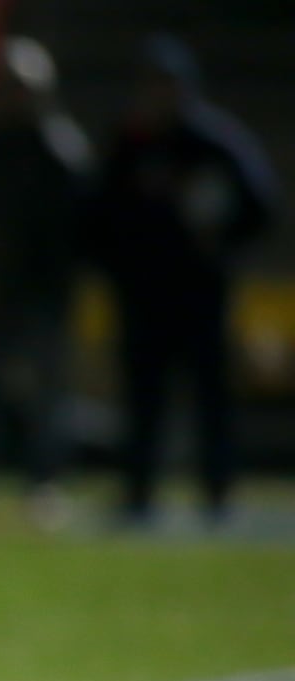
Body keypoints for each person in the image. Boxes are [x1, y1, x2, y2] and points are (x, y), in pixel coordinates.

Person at [89, 34, 278, 526]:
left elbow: (262, 209)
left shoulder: (215, 144)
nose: (160, 94)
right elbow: (97, 219)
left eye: (168, 84)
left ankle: (217, 494)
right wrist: (119, 269)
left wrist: (222, 242)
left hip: (200, 295)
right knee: (142, 398)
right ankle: (138, 493)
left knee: (208, 397)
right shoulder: (129, 144)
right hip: (143, 297)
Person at [0, 35, 92, 524]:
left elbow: (81, 227)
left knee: (48, 394)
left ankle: (44, 482)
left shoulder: (59, 152)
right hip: (0, 287)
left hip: (44, 291)